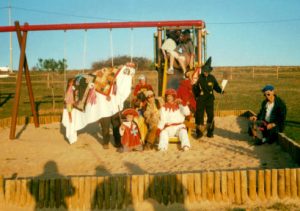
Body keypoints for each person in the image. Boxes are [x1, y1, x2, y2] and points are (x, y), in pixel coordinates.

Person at [192, 57, 223, 138]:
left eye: (207, 71)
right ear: (203, 70)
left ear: (209, 71)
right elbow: (194, 88)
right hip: (201, 99)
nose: (206, 72)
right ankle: (199, 132)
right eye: (205, 71)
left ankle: (210, 132)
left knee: (210, 116)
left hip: (209, 99)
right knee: (199, 116)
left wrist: (221, 91)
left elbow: (216, 86)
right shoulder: (199, 77)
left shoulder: (212, 78)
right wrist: (197, 94)